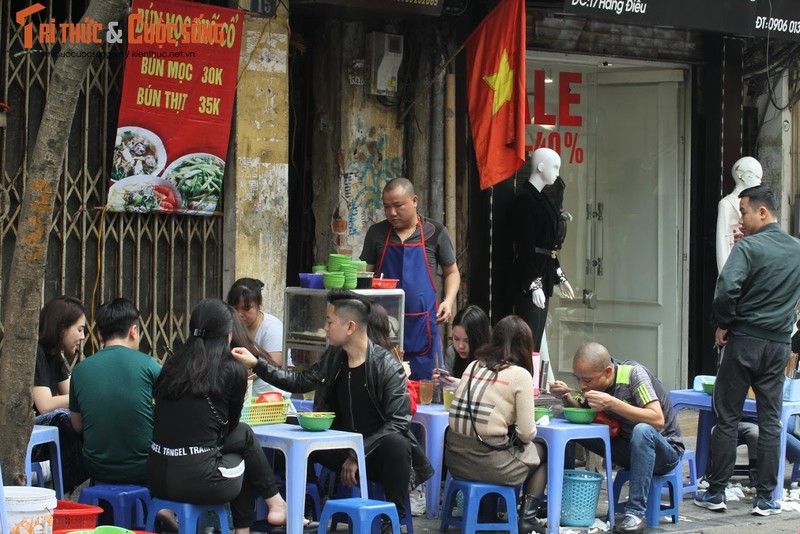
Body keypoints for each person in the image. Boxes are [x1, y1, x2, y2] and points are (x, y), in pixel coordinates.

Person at [233, 290, 418, 533]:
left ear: (350, 327)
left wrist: (357, 455)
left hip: (376, 454)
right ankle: (308, 504)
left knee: (397, 443)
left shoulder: (386, 366)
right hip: (341, 446)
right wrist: (258, 363)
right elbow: (300, 382)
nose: (325, 327)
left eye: (329, 322)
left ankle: (391, 518)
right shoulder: (334, 357)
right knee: (299, 436)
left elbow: (398, 422)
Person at [147, 298, 308, 534]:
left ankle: (269, 509)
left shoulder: (172, 365)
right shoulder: (231, 370)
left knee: (239, 440)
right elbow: (228, 427)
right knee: (240, 445)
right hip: (199, 481)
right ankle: (268, 510)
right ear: (227, 334)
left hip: (157, 476)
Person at [695, 185, 800, 516]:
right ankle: (767, 497)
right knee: (770, 420)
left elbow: (726, 290)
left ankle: (715, 492)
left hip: (744, 341)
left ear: (763, 212)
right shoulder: (797, 249)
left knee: (727, 416)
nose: (740, 220)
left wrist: (723, 323)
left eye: (744, 212)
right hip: (779, 344)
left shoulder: (749, 248)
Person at [550, 342, 684, 534]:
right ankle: (563, 501)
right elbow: (584, 416)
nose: (582, 385)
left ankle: (635, 514)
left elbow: (657, 419)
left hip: (664, 452)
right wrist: (565, 397)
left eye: (587, 380)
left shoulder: (633, 374)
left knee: (642, 431)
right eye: (577, 379)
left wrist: (612, 403)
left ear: (607, 371)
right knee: (565, 424)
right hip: (626, 447)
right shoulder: (593, 385)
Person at [445, 315, 547, 534]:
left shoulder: (473, 366)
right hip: (489, 465)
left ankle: (488, 513)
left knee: (501, 449)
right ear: (526, 345)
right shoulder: (520, 375)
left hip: (456, 461)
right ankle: (527, 518)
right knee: (541, 451)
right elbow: (527, 433)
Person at [360, 177, 461, 380]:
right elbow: (364, 275)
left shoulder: (435, 232)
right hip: (384, 326)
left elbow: (452, 272)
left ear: (414, 201)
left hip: (423, 325)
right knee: (383, 385)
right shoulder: (376, 233)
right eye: (387, 207)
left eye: (398, 206)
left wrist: (448, 301)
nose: (392, 213)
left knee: (428, 387)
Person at [69, 298, 161, 485]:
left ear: (100, 336)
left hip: (97, 467)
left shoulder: (80, 370)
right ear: (134, 332)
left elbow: (77, 425)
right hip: (144, 467)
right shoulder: (150, 365)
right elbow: (169, 415)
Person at [510, 148, 574, 352]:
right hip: (530, 278)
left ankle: (533, 380)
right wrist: (534, 283)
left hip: (543, 275)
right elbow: (525, 245)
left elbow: (550, 248)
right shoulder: (525, 199)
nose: (557, 172)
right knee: (528, 339)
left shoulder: (545, 200)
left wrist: (560, 276)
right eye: (555, 167)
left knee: (535, 340)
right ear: (540, 166)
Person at [367, 302, 434, 488]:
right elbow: (408, 409)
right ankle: (409, 497)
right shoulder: (387, 362)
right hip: (380, 452)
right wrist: (403, 377)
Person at [33, 296, 89, 493]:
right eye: (80, 329)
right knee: (65, 420)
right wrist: (83, 393)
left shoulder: (55, 357)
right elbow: (45, 405)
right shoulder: (36, 353)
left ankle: (68, 487)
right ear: (62, 328)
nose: (83, 336)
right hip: (27, 433)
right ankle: (61, 491)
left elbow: (72, 393)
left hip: (44, 432)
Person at [227, 278, 285, 395]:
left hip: (269, 391)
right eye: (235, 308)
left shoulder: (272, 328)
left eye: (246, 309)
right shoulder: (229, 325)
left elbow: (274, 366)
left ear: (259, 305)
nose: (239, 314)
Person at [715, 156, 762, 272]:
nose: (758, 181)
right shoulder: (726, 204)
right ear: (741, 175)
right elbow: (722, 242)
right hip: (734, 265)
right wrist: (724, 276)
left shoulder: (758, 203)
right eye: (754, 176)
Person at [433, 304, 490, 388]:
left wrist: (461, 385)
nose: (460, 346)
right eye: (456, 339)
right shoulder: (452, 352)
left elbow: (490, 392)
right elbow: (447, 392)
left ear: (479, 338)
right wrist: (442, 382)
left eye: (467, 341)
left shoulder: (491, 358)